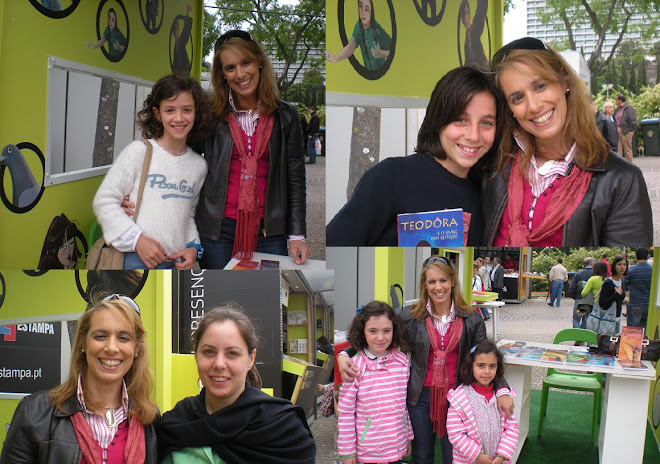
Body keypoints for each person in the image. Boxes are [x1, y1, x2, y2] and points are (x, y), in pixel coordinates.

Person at [338, 257, 514, 464]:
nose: (438, 287)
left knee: (455, 456)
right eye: (431, 282)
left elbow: (487, 355)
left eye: (442, 280)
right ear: (424, 285)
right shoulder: (410, 317)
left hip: (457, 398)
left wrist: (502, 390)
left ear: (452, 282)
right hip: (420, 397)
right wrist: (344, 354)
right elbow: (377, 337)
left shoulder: (471, 318)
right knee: (422, 456)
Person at [484, 37, 652, 246]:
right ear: (509, 109)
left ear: (564, 81)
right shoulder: (495, 168)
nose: (534, 106)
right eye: (517, 97)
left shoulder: (622, 180)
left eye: (540, 86)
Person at [327, 66, 501, 246]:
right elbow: (336, 244)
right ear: (439, 118)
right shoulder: (391, 176)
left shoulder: (488, 192)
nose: (473, 135)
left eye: (486, 122)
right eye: (460, 120)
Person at [0, 295, 159, 463]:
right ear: (83, 343)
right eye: (100, 336)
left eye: (123, 338)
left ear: (136, 349)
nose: (111, 348)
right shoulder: (34, 412)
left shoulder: (149, 418)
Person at [157, 304, 316, 463]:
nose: (219, 364)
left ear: (251, 358)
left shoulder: (284, 428)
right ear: (196, 354)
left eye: (232, 353)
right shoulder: (176, 422)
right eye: (209, 352)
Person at [95, 74, 212, 270]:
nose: (179, 118)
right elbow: (104, 201)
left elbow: (188, 215)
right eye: (169, 110)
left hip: (176, 264)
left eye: (187, 110)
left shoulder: (198, 166)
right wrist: (138, 240)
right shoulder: (138, 151)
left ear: (196, 113)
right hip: (135, 261)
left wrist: (194, 247)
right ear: (157, 114)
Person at [337, 301, 413, 464]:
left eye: (386, 331)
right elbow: (346, 413)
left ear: (395, 330)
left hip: (397, 448)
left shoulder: (403, 363)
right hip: (368, 452)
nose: (380, 337)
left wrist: (407, 436)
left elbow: (402, 406)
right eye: (373, 331)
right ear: (362, 332)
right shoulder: (354, 367)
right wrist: (348, 452)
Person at [447, 340, 519, 464]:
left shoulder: (502, 398)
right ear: (471, 366)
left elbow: (512, 428)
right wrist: (478, 456)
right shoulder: (459, 398)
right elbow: (455, 433)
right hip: (469, 460)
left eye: (492, 366)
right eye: (481, 365)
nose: (487, 371)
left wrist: (501, 456)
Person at [326, 0, 391, 70]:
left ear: (371, 11)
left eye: (366, 9)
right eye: (360, 6)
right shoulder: (358, 28)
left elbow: (393, 52)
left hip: (383, 75)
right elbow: (350, 47)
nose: (363, 13)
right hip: (369, 75)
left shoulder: (377, 29)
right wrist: (336, 58)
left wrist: (380, 53)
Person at [587, 257, 627, 336]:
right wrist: (616, 295)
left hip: (617, 319)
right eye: (619, 264)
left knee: (613, 345)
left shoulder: (622, 281)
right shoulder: (608, 283)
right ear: (614, 266)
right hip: (605, 320)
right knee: (603, 344)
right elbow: (603, 303)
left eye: (624, 264)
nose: (622, 267)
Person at [625, 248, 652, 328]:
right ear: (647, 256)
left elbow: (625, 284)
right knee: (645, 329)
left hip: (635, 303)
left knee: (633, 331)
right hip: (648, 304)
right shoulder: (652, 270)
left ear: (636, 257)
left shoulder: (632, 270)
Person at [567, 257, 595, 329]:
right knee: (586, 318)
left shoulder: (578, 273)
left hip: (579, 299)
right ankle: (583, 336)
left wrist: (575, 296)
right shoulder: (595, 274)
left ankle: (577, 336)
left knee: (576, 319)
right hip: (590, 300)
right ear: (592, 264)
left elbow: (572, 287)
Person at [460, 0, 488, 69]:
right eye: (465, 14)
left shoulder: (474, 30)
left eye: (468, 12)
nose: (468, 17)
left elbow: (480, 13)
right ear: (462, 17)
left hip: (481, 74)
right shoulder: (467, 35)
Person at [614, 93, 638, 163]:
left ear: (620, 100)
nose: (615, 101)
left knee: (627, 149)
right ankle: (620, 165)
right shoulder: (617, 109)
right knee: (619, 149)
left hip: (626, 131)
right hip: (618, 129)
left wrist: (630, 131)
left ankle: (630, 165)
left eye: (616, 100)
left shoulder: (629, 108)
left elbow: (634, 120)